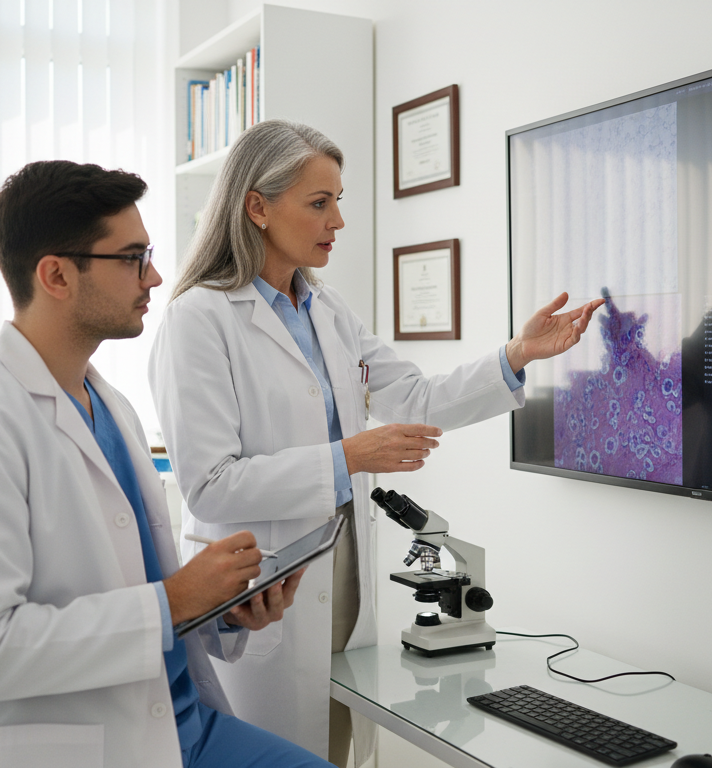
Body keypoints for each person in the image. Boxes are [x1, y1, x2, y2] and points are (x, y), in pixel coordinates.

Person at [149, 120, 604, 765]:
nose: (337, 219)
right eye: (318, 202)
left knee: (337, 747)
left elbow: (415, 397)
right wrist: (348, 457)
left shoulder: (326, 310)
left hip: (342, 571)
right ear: (257, 206)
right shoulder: (199, 319)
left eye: (338, 200)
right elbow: (211, 482)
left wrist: (517, 352)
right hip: (261, 590)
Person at [0, 160, 331, 768]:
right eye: (131, 258)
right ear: (56, 275)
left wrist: (217, 610)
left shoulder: (111, 406)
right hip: (70, 747)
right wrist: (173, 601)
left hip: (182, 726)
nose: (153, 276)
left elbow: (131, 588)